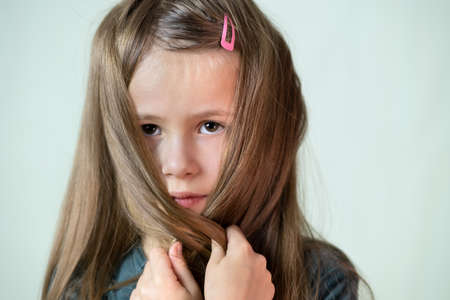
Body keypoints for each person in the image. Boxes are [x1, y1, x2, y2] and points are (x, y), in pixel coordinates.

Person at [41, 0, 374, 299]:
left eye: (210, 126)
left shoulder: (324, 281)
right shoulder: (81, 287)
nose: (178, 165)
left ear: (267, 132)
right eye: (149, 129)